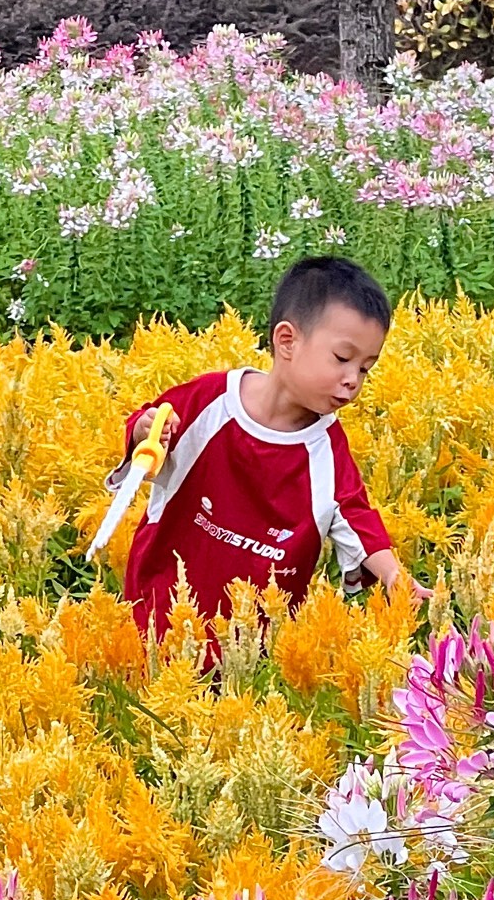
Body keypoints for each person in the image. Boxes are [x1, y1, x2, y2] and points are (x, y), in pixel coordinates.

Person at [112, 253, 413, 639]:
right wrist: (145, 430)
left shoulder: (325, 448)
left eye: (365, 368)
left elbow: (356, 516)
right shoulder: (210, 401)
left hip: (253, 646)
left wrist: (393, 576)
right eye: (342, 358)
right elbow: (147, 434)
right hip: (157, 618)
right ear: (287, 340)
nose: (353, 379)